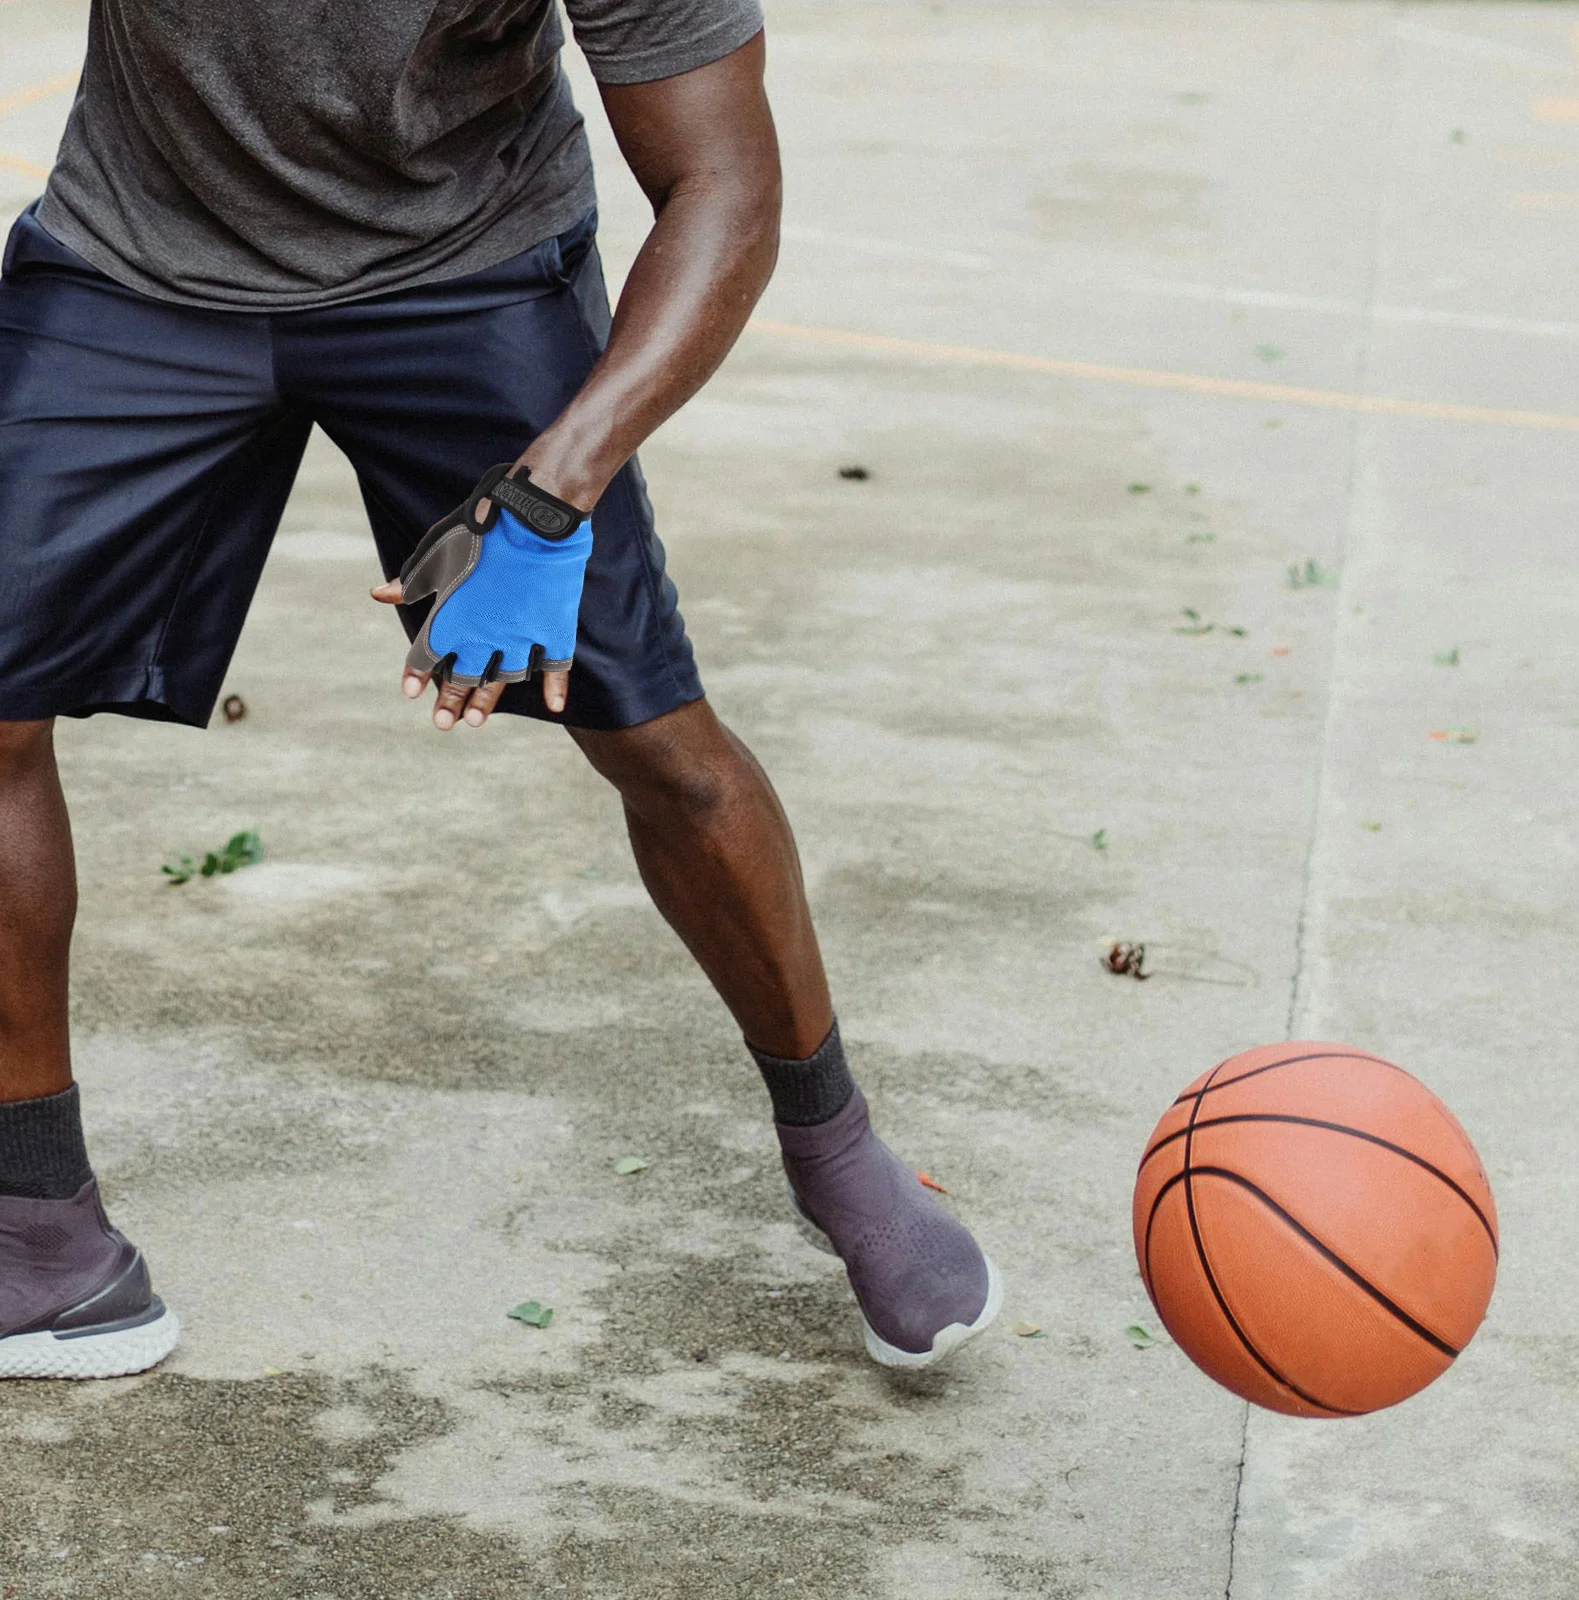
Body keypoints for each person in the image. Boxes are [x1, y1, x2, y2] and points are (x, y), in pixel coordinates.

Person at [0, 0, 1000, 1380]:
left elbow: (726, 182)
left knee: (655, 740)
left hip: (462, 267)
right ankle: (44, 1231)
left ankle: (834, 1145)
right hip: (137, 264)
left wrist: (551, 495)